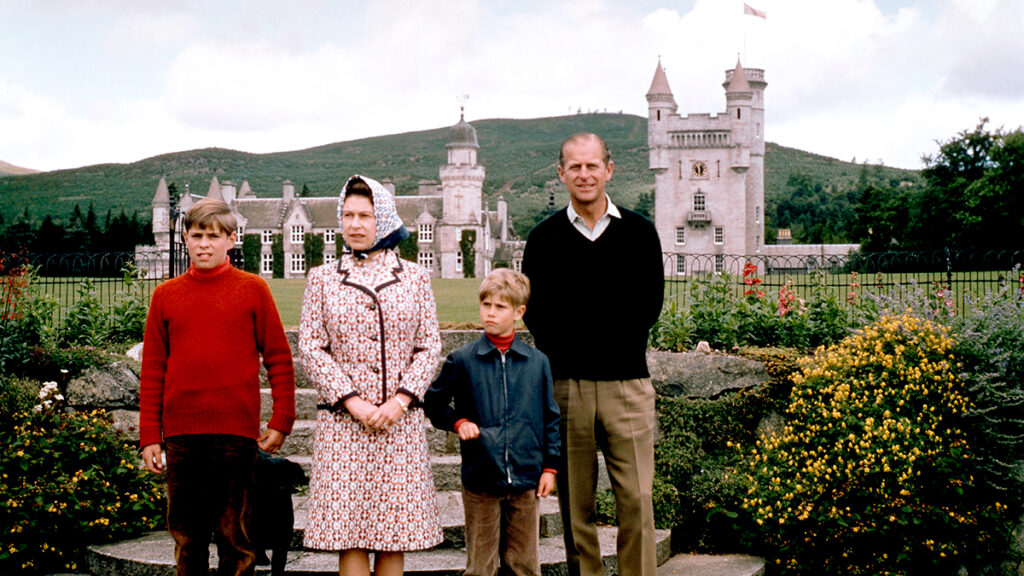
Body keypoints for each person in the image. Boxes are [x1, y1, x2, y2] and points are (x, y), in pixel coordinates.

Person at [521, 133, 665, 576]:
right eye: (575, 167)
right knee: (575, 510)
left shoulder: (640, 233)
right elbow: (536, 314)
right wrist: (574, 346)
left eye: (592, 165)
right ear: (561, 173)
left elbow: (649, 305)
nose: (584, 175)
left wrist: (595, 332)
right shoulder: (543, 239)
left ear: (609, 169)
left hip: (627, 384)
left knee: (637, 501)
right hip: (568, 388)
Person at [139, 198, 297, 576]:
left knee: (235, 538)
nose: (204, 244)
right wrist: (149, 436)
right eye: (196, 236)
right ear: (186, 240)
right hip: (181, 436)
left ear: (231, 239)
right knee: (188, 538)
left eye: (214, 236)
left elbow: (279, 358)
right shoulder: (166, 296)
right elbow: (153, 370)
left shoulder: (253, 290)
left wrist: (282, 420)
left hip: (236, 435)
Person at [299, 175, 443, 576]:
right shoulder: (322, 279)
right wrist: (353, 402)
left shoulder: (415, 277)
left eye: (365, 215)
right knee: (350, 531)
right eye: (347, 215)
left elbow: (430, 346)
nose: (355, 224)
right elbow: (311, 346)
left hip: (399, 424)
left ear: (383, 217)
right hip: (344, 425)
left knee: (394, 532)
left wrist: (400, 401)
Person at [424, 268, 560, 576]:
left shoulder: (537, 362)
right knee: (480, 566)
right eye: (486, 305)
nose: (491, 313)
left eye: (500, 307)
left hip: (526, 478)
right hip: (481, 477)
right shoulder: (462, 360)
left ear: (518, 312)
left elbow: (551, 418)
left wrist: (550, 468)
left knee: (523, 564)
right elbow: (433, 403)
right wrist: (458, 422)